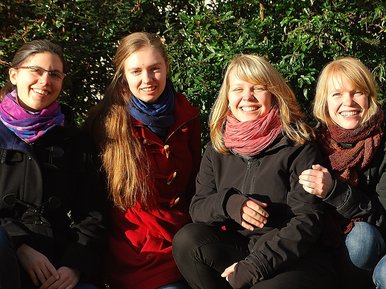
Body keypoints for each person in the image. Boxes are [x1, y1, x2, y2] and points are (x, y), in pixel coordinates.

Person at [172, 54, 337, 289]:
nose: (247, 97)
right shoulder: (218, 147)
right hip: (240, 247)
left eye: (257, 88)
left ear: (273, 94)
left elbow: (308, 220)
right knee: (187, 240)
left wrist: (254, 266)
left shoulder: (297, 144)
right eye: (238, 89)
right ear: (227, 97)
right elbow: (198, 208)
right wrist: (230, 203)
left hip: (294, 257)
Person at [85, 32, 201, 289]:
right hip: (132, 246)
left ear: (166, 68)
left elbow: (197, 181)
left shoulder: (186, 116)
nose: (147, 79)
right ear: (123, 74)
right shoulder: (105, 123)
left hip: (182, 236)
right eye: (136, 71)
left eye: (154, 69)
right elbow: (91, 197)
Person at [0, 39, 106, 289]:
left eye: (54, 74)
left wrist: (74, 266)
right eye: (36, 71)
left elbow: (93, 214)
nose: (45, 81)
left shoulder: (74, 141)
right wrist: (18, 245)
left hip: (56, 263)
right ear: (14, 74)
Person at [299, 57, 386, 289]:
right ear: (324, 101)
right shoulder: (311, 143)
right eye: (337, 94)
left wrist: (335, 191)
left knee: (362, 240)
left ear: (369, 97)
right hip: (327, 245)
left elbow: (383, 215)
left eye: (357, 92)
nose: (348, 102)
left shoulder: (382, 142)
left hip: (379, 240)